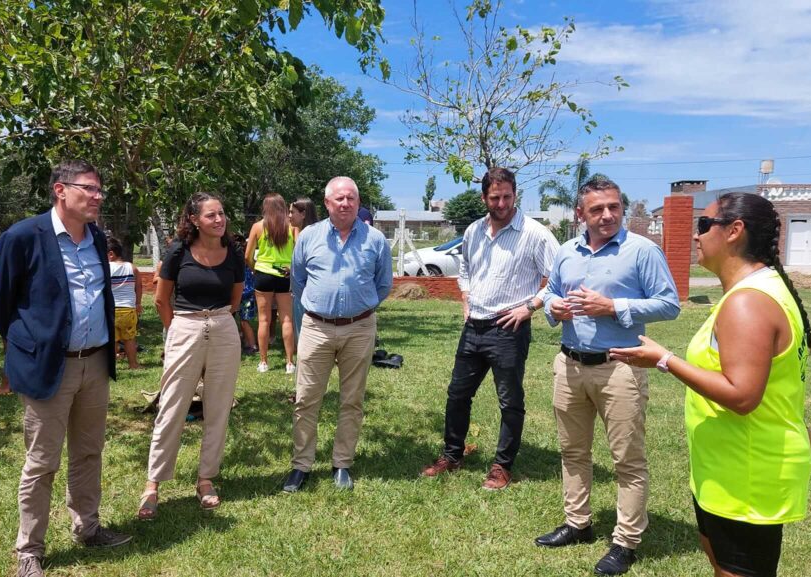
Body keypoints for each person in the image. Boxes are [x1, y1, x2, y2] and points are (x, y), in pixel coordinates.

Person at [608, 192, 811, 577]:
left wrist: (664, 360)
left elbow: (744, 395)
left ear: (734, 231)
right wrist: (801, 431)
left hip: (746, 477)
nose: (696, 236)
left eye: (703, 225)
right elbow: (771, 384)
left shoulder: (748, 302)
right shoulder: (760, 291)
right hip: (728, 469)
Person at [0, 159, 129, 577]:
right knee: (42, 460)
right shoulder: (23, 236)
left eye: (101, 189)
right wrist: (26, 344)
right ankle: (30, 549)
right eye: (90, 188)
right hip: (50, 366)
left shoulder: (98, 238)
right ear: (60, 190)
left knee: (88, 451)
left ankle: (87, 527)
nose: (98, 196)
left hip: (95, 363)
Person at [534, 177, 680, 576]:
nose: (607, 215)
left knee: (627, 460)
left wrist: (613, 306)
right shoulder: (567, 252)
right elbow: (549, 294)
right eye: (597, 209)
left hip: (621, 368)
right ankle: (577, 523)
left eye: (614, 207)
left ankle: (625, 541)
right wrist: (554, 309)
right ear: (581, 213)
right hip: (569, 366)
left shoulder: (642, 251)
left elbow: (669, 305)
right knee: (573, 451)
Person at [420, 167, 559, 490]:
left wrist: (529, 308)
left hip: (509, 330)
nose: (501, 203)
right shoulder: (473, 231)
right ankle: (452, 455)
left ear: (515, 195)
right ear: (484, 197)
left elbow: (559, 278)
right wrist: (466, 298)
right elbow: (466, 267)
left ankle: (502, 466)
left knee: (509, 400)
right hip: (475, 326)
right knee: (457, 395)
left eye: (507, 196)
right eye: (494, 197)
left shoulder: (535, 234)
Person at [282, 176, 393, 492]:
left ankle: (342, 463)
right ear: (327, 203)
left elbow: (383, 284)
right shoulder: (309, 237)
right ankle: (301, 466)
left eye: (351, 199)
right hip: (316, 328)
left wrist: (360, 307)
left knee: (352, 400)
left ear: (358, 203)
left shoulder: (375, 240)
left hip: (359, 329)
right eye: (339, 199)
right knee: (306, 399)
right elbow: (299, 280)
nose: (345, 204)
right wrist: (321, 308)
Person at [138, 192, 244, 519]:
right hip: (185, 327)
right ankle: (153, 485)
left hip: (224, 328)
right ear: (194, 220)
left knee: (218, 408)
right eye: (211, 215)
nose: (219, 219)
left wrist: (215, 323)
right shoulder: (177, 251)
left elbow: (236, 300)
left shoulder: (234, 254)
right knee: (172, 408)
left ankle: (205, 479)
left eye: (222, 213)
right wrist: (179, 331)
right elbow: (160, 299)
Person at [245, 193, 299, 374]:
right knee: (286, 320)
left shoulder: (258, 226)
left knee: (264, 320)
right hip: (285, 275)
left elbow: (247, 255)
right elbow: (299, 253)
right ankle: (290, 363)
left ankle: (263, 362)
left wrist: (255, 268)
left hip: (263, 275)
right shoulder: (292, 227)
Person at [107, 236, 142, 369]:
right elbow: (139, 287)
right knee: (130, 338)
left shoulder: (106, 268)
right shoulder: (132, 268)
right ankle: (133, 364)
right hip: (128, 309)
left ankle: (112, 366)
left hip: (111, 310)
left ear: (111, 254)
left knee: (113, 339)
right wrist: (138, 303)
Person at [289, 197, 318, 338]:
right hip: (304, 292)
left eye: (292, 212)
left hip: (306, 294)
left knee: (305, 336)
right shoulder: (307, 233)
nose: (289, 216)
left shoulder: (308, 236)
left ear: (304, 214)